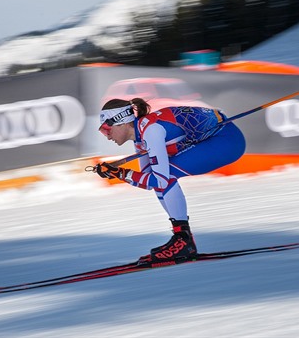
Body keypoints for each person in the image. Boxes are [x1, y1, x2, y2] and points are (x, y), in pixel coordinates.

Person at [94, 98, 246, 263]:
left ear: (121, 121)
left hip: (226, 140)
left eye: (107, 129)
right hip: (215, 139)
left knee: (167, 175)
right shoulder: (140, 137)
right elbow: (149, 183)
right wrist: (118, 173)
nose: (107, 136)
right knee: (162, 176)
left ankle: (183, 240)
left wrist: (121, 173)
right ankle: (182, 237)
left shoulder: (151, 131)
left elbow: (159, 181)